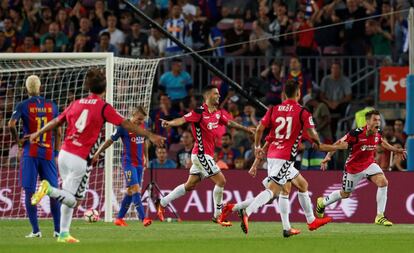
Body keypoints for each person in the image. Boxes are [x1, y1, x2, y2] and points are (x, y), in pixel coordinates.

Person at [29, 69, 165, 243]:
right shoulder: (103, 106)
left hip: (63, 154)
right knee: (72, 200)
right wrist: (151, 135)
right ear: (105, 89)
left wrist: (37, 133)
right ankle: (48, 189)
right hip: (79, 158)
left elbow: (57, 121)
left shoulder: (75, 103)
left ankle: (63, 233)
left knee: (72, 196)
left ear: (87, 86)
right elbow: (125, 124)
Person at [235, 80, 348, 237]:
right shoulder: (303, 113)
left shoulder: (273, 109)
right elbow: (317, 143)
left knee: (302, 185)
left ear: (284, 94)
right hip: (285, 158)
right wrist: (336, 147)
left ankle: (308, 221)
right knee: (273, 191)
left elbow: (260, 129)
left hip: (273, 154)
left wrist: (257, 148)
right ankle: (246, 211)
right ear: (299, 93)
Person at [156, 85, 254, 226]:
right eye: (216, 94)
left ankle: (163, 202)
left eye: (219, 94)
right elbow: (183, 120)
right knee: (221, 181)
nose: (219, 96)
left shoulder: (217, 113)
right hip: (201, 154)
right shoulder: (199, 112)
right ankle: (218, 215)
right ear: (207, 96)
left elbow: (229, 123)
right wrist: (170, 123)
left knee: (189, 185)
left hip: (204, 155)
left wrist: (246, 129)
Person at [317, 110, 407, 226]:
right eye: (375, 120)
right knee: (345, 194)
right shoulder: (356, 133)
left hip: (369, 164)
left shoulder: (377, 132)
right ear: (368, 122)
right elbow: (339, 143)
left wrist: (396, 150)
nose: (378, 122)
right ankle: (322, 202)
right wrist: (328, 156)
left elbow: (382, 142)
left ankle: (380, 216)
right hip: (353, 168)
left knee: (383, 182)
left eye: (379, 120)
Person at [8, 75, 61, 238]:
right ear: (40, 87)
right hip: (48, 153)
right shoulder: (52, 105)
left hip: (30, 153)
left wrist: (19, 142)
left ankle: (36, 230)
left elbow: (11, 124)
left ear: (26, 88)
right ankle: (58, 230)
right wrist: (57, 153)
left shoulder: (23, 105)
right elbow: (58, 131)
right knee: (53, 192)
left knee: (30, 191)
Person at [92, 106, 152, 227]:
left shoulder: (143, 125)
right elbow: (110, 140)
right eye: (139, 119)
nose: (141, 122)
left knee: (131, 191)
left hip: (139, 163)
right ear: (133, 114)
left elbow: (145, 141)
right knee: (135, 188)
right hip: (128, 163)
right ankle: (143, 218)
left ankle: (119, 218)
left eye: (142, 119)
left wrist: (146, 157)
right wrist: (97, 153)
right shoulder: (122, 126)